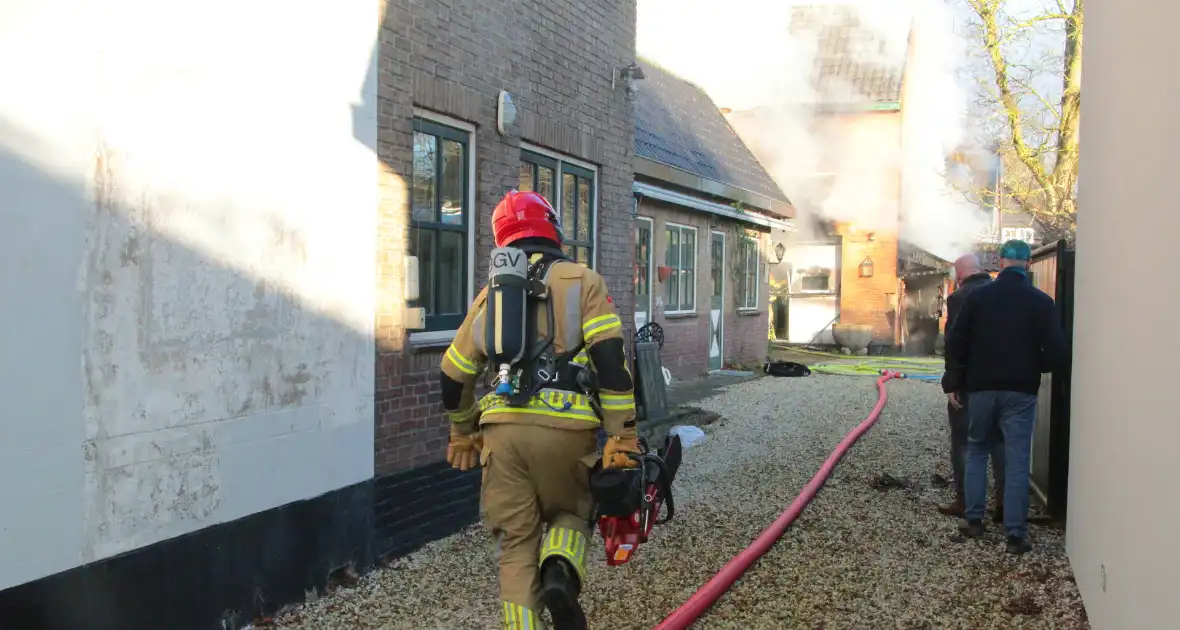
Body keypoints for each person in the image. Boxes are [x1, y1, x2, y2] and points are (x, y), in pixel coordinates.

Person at [439, 190, 639, 629]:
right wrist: (622, 434)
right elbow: (611, 363)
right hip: (566, 434)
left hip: (501, 439)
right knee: (574, 510)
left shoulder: (488, 297)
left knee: (514, 548)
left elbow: (452, 376)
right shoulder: (583, 280)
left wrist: (462, 431)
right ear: (551, 227)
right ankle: (560, 574)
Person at [946, 240, 1069, 554]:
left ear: (999, 262)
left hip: (982, 387)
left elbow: (955, 341)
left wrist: (956, 381)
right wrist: (1033, 368)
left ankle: (974, 520)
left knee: (975, 451)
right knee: (1016, 461)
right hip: (1020, 391)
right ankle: (1015, 535)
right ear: (1028, 264)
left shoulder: (978, 298)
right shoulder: (1041, 302)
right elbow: (1057, 351)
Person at [938, 253, 1006, 521]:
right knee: (1000, 443)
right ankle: (1004, 503)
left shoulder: (960, 297)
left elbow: (954, 344)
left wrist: (952, 383)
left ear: (959, 274)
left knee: (965, 443)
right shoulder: (1000, 293)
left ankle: (966, 501)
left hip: (970, 384)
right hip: (1002, 381)